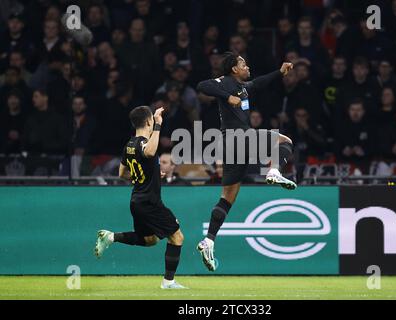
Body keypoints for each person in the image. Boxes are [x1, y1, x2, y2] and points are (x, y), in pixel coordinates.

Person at [196, 52, 297, 271]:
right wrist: (226, 96)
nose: (247, 65)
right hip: (237, 137)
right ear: (233, 68)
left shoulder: (242, 87)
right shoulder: (226, 82)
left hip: (232, 144)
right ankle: (273, 171)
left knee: (227, 197)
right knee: (284, 141)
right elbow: (203, 85)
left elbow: (259, 83)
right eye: (243, 63)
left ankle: (209, 241)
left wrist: (279, 73)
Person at [94, 106, 187, 290]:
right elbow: (150, 152)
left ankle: (111, 237)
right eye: (152, 121)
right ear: (148, 122)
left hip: (136, 201)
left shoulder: (129, 145)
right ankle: (168, 282)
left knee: (150, 240)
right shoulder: (144, 142)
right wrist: (159, 125)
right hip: (149, 202)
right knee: (177, 237)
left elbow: (122, 173)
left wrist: (150, 174)